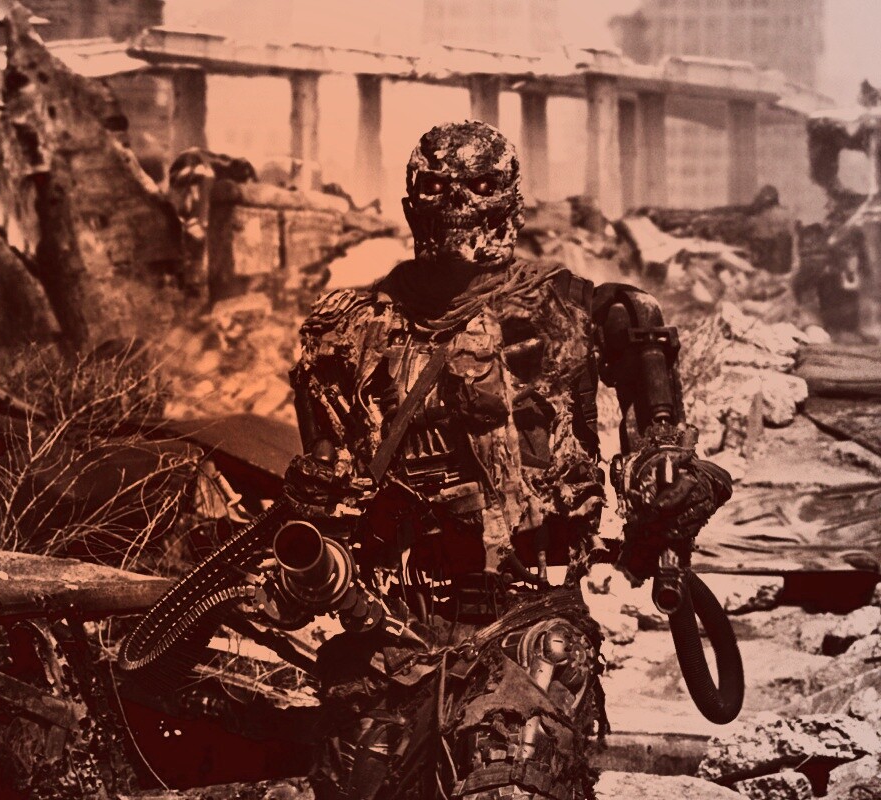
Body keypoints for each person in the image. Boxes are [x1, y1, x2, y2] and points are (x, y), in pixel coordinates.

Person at [278, 121, 733, 800]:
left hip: (526, 611)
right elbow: (324, 477)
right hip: (392, 623)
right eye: (438, 188)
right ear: (413, 201)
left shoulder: (576, 309)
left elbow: (659, 441)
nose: (456, 204)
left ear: (507, 200)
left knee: (514, 774)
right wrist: (315, 520)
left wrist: (665, 483)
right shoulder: (347, 328)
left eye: (477, 187)